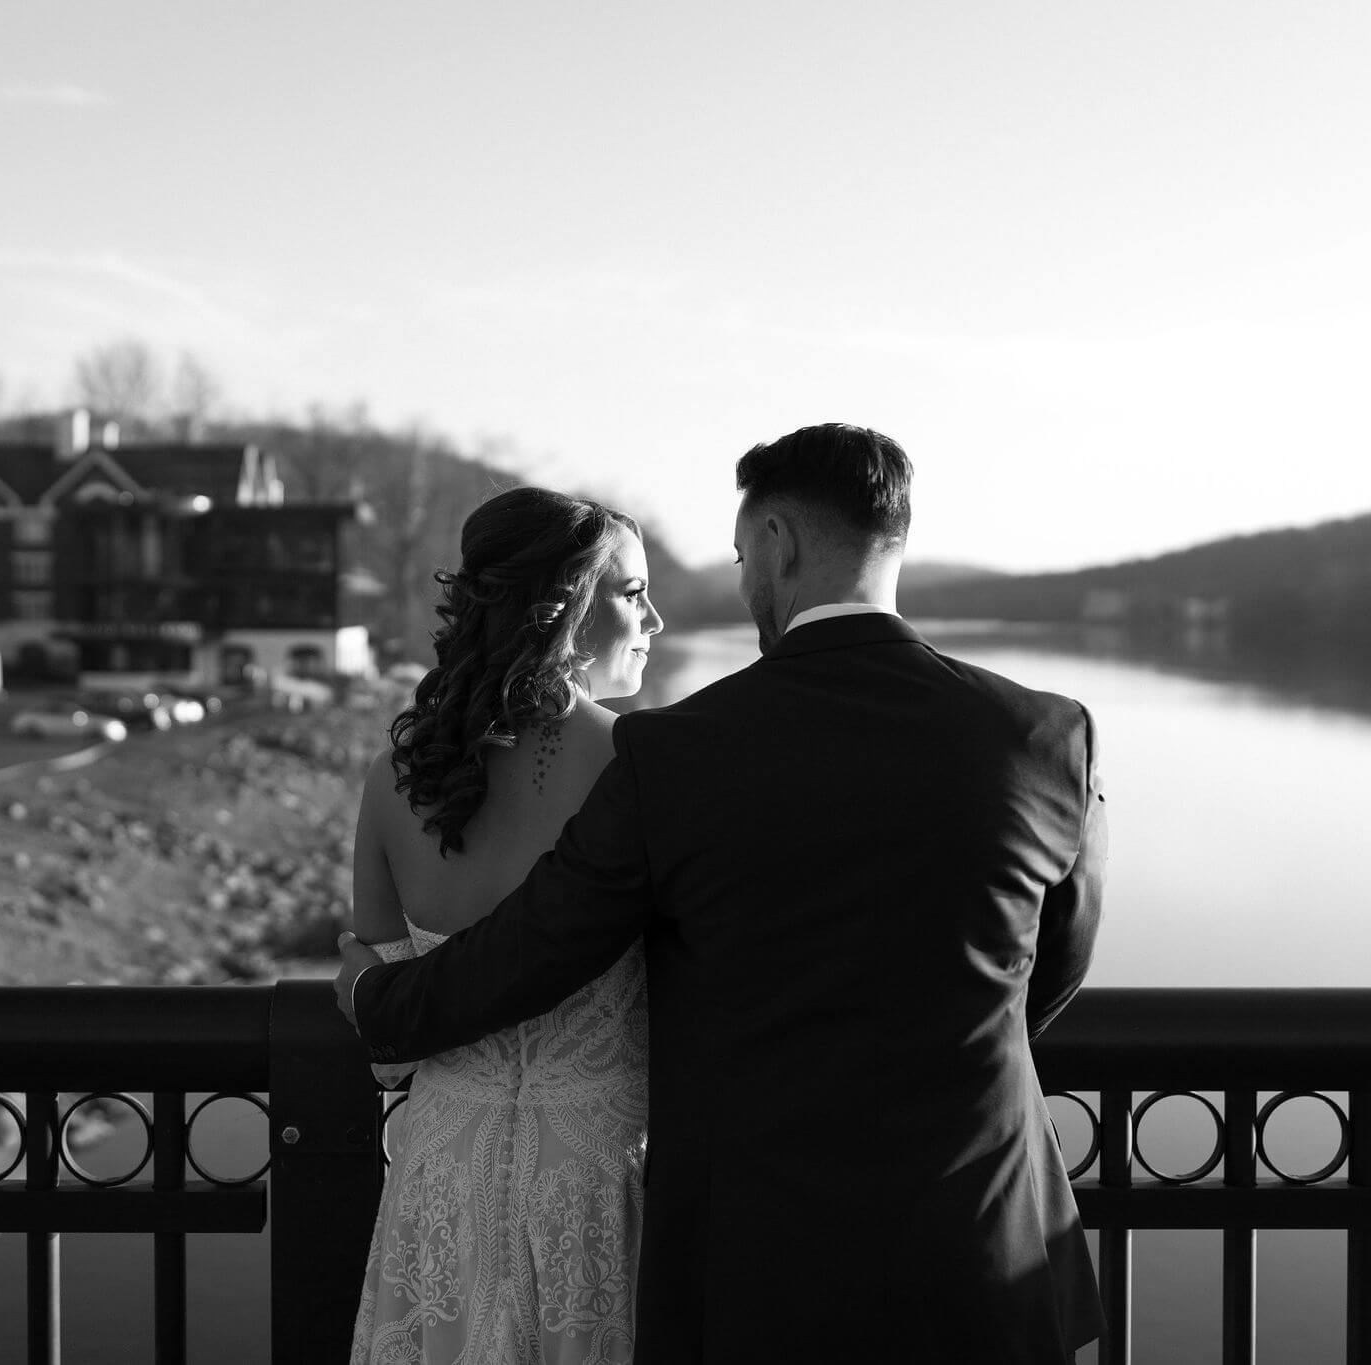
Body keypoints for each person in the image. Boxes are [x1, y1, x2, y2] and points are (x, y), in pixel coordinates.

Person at [338, 423, 1108, 1362]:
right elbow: (1054, 969)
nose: (741, 583)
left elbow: (538, 947)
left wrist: (378, 1003)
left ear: (778, 542)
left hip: (758, 1251)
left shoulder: (682, 753)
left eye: (743, 554)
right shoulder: (1048, 735)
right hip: (990, 1244)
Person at [347, 486, 665, 1365]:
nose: (657, 618)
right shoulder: (638, 766)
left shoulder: (391, 776)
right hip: (596, 1175)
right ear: (564, 600)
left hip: (441, 1168)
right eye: (633, 591)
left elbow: (383, 1027)